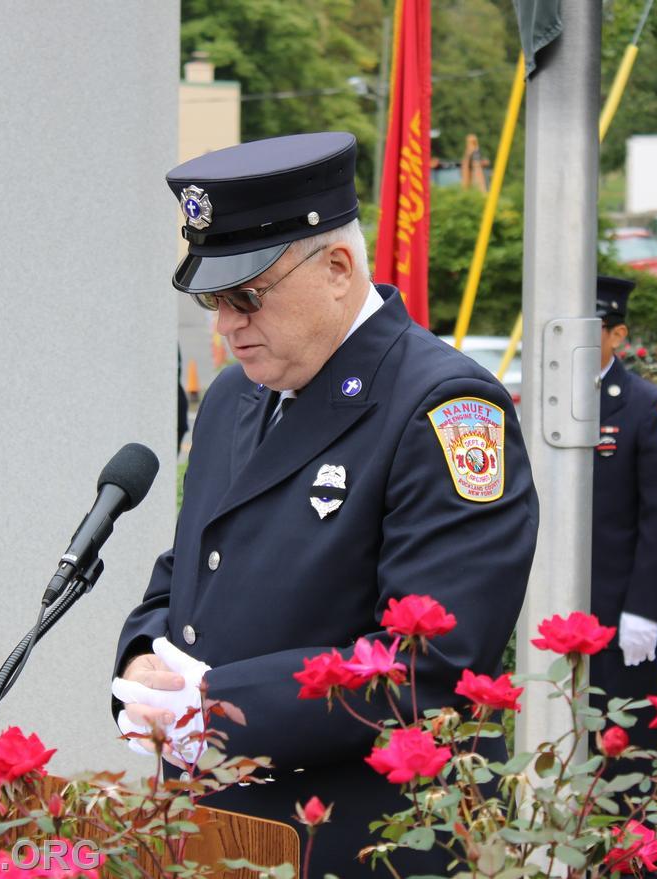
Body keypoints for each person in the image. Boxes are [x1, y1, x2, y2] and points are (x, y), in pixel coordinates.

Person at [112, 132, 539, 877]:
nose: (226, 325)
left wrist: (215, 703)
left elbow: (434, 662)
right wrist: (145, 654)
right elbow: (192, 568)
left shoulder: (444, 406)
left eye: (247, 296)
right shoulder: (232, 397)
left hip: (354, 837)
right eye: (214, 299)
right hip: (211, 824)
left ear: (338, 268)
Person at [589, 276, 657, 783]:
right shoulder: (544, 403)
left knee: (623, 768)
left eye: (595, 330)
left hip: (618, 621)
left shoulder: (649, 408)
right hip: (561, 618)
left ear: (618, 337)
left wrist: (644, 612)